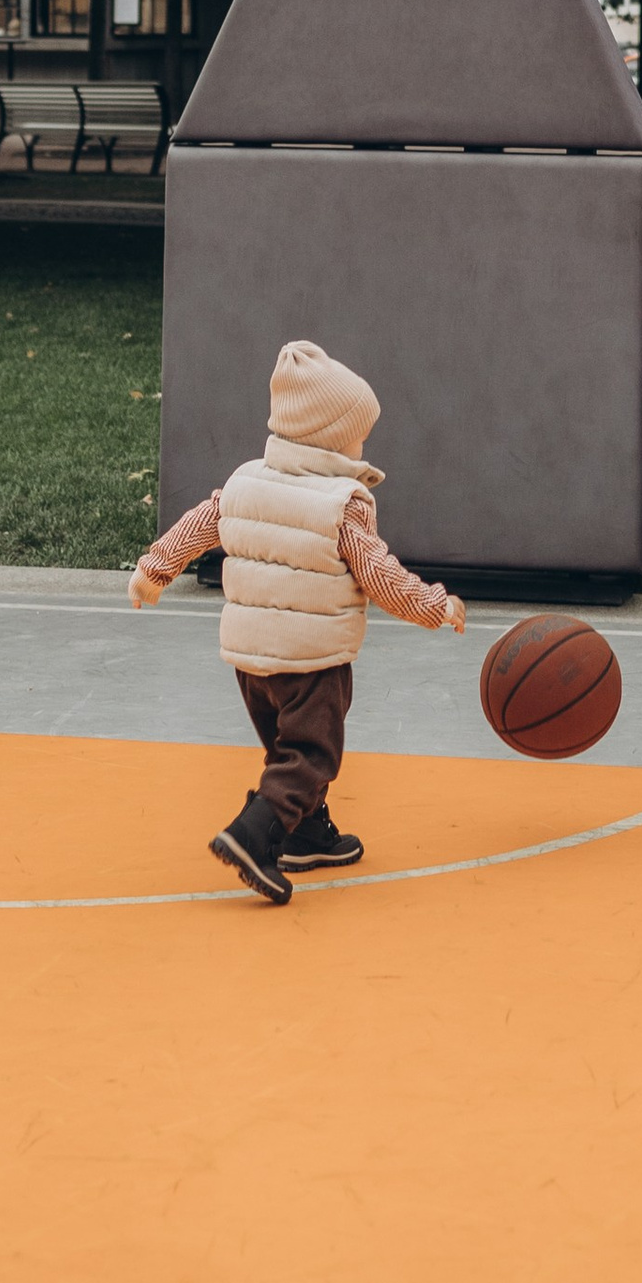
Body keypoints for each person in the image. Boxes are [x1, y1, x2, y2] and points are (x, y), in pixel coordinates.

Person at [131, 338, 465, 907]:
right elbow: (380, 576)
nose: (364, 444)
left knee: (285, 751)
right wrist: (435, 606)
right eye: (359, 433)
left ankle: (307, 833)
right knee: (312, 754)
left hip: (249, 659)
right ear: (334, 437)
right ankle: (252, 834)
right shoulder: (342, 503)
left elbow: (196, 526)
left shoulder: (244, 482)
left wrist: (152, 571)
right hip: (311, 658)